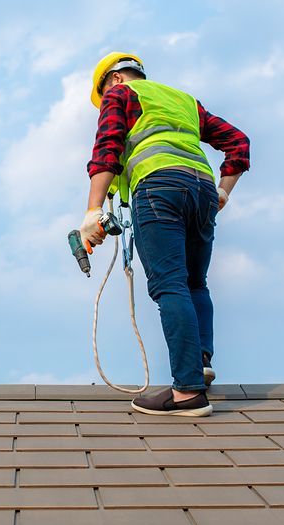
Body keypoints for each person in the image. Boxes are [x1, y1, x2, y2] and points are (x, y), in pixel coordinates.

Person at [80, 52, 250, 417]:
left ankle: (187, 393)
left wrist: (92, 211)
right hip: (202, 190)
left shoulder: (121, 95)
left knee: (169, 285)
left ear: (114, 81)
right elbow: (238, 141)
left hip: (158, 188)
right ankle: (199, 364)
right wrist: (223, 191)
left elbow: (107, 149)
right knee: (194, 283)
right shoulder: (185, 101)